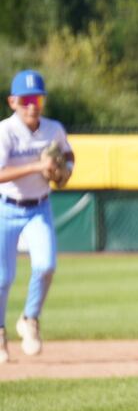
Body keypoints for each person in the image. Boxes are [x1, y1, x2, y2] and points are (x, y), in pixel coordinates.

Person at [0, 70, 75, 363]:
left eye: (38, 99)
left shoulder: (53, 129)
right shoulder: (5, 131)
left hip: (39, 206)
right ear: (13, 102)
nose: (33, 105)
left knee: (45, 266)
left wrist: (63, 168)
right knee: (3, 278)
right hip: (6, 207)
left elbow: (68, 155)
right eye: (27, 99)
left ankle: (30, 319)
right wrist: (37, 166)